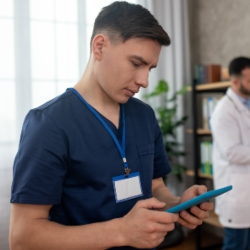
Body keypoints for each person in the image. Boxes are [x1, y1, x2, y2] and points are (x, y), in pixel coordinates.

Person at [9, 2, 214, 250]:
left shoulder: (144, 116)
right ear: (99, 46)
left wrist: (179, 204)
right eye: (136, 63)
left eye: (150, 68)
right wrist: (121, 233)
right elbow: (22, 237)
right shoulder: (48, 124)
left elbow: (155, 188)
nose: (144, 81)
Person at [211, 56, 250, 250]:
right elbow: (232, 152)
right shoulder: (223, 111)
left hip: (247, 190)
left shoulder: (247, 104)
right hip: (236, 191)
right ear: (235, 81)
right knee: (236, 245)